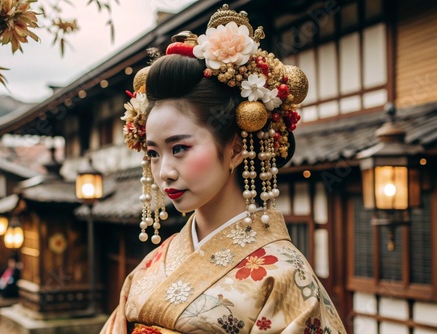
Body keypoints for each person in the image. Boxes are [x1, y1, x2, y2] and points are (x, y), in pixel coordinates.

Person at [102, 4, 346, 333]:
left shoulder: (284, 276)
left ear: (235, 148)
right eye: (153, 153)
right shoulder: (154, 263)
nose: (165, 172)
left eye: (179, 149)